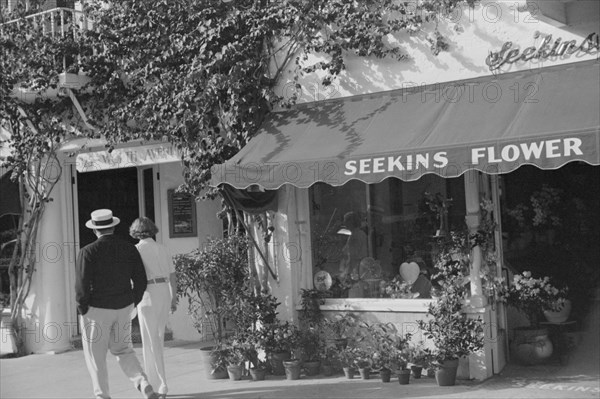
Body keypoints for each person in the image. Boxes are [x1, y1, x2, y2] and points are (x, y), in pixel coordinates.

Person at [75, 209, 158, 399]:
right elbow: (141, 280)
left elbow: (81, 285)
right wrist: (132, 301)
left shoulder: (87, 252)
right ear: (113, 227)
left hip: (96, 309)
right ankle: (142, 382)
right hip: (123, 306)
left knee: (96, 357)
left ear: (95, 230)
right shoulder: (129, 248)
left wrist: (83, 308)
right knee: (123, 350)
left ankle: (102, 395)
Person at [129, 217, 177, 399]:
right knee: (157, 339)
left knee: (150, 341)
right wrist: (174, 297)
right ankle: (159, 384)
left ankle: (159, 385)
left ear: (136, 232)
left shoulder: (136, 250)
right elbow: (172, 276)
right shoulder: (162, 248)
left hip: (147, 293)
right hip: (163, 291)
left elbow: (132, 277)